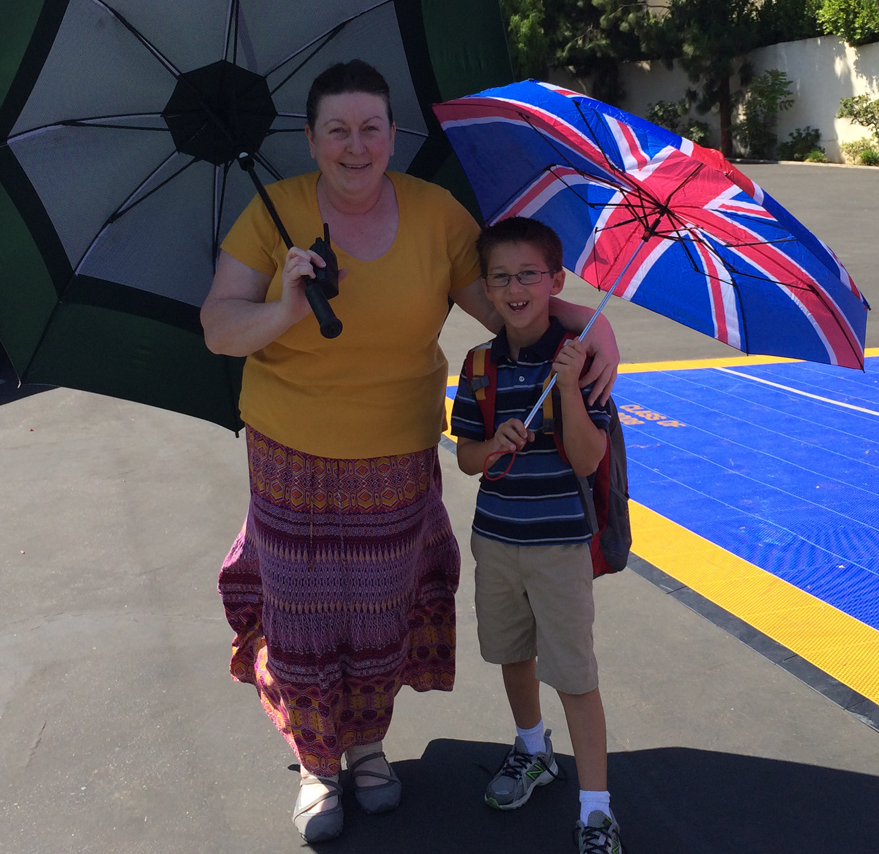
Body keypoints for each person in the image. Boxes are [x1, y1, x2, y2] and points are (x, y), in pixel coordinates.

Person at [200, 61, 621, 843]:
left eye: (371, 128)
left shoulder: (435, 215)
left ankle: (365, 748)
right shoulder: (275, 213)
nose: (355, 146)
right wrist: (287, 305)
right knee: (301, 616)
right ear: (311, 139)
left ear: (393, 134)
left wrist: (585, 323)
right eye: (337, 130)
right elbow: (220, 329)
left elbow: (504, 305)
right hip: (289, 455)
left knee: (377, 613)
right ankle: (318, 766)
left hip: (397, 455)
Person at [450, 216, 624, 854]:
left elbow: (585, 459)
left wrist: (571, 389)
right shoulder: (476, 365)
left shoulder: (583, 360)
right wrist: (492, 444)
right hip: (495, 542)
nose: (516, 288)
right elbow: (467, 457)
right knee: (511, 654)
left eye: (530, 274)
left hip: (558, 549)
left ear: (556, 281)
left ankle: (596, 808)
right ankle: (532, 750)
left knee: (575, 675)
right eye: (502, 277)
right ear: (487, 291)